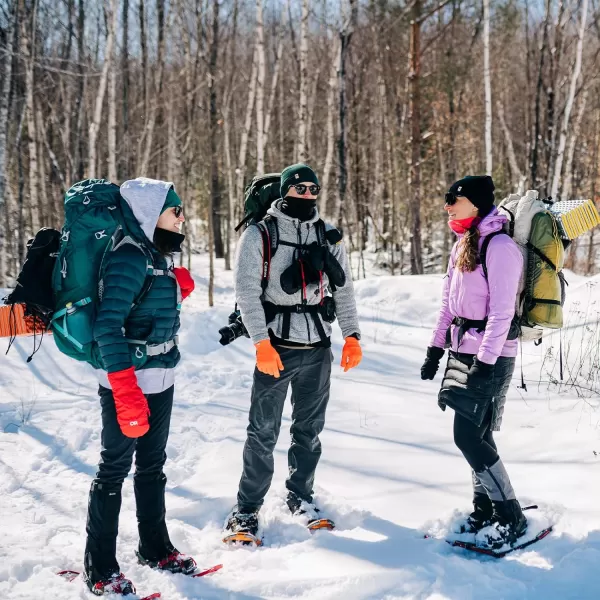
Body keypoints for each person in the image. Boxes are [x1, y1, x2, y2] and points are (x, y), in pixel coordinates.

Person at [226, 163, 362, 539]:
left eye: (312, 189)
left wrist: (352, 335)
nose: (306, 194)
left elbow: (345, 290)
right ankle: (246, 510)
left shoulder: (328, 234)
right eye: (299, 188)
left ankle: (300, 496)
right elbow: (247, 293)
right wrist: (260, 342)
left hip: (318, 347)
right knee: (262, 432)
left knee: (309, 431)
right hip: (276, 347)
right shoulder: (260, 234)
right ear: (285, 190)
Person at [84, 178, 196, 594]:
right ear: (151, 214)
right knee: (112, 470)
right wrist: (124, 390)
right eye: (175, 210)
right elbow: (107, 327)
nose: (182, 218)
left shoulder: (156, 254)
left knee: (152, 466)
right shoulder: (129, 256)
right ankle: (100, 567)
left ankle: (155, 547)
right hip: (126, 382)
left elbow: (144, 311)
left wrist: (173, 291)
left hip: (159, 377)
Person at [421, 175, 527, 548]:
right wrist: (435, 350)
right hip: (463, 350)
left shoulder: (500, 247)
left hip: (493, 354)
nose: (448, 204)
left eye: (455, 198)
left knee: (466, 436)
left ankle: (510, 514)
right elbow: (449, 305)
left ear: (477, 203)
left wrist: (484, 362)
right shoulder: (463, 245)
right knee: (477, 436)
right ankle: (484, 509)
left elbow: (501, 313)